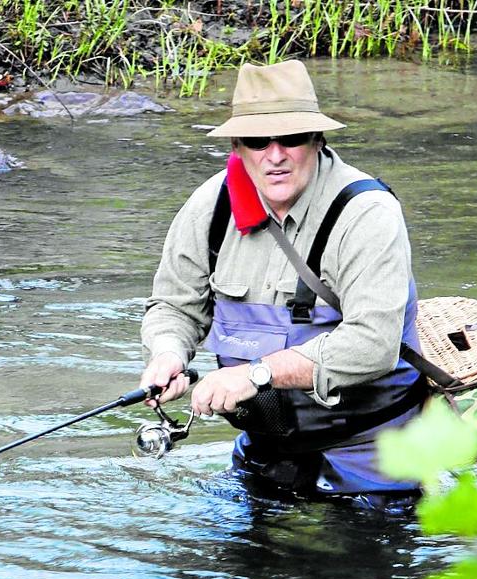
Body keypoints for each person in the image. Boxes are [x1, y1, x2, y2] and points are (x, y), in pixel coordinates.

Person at [138, 60, 425, 511]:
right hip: (265, 455)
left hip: (376, 465)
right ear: (237, 146)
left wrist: (255, 374)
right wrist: (168, 353)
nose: (275, 155)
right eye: (257, 141)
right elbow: (175, 306)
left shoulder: (368, 213)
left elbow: (374, 343)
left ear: (317, 140)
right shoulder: (211, 207)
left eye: (290, 139)